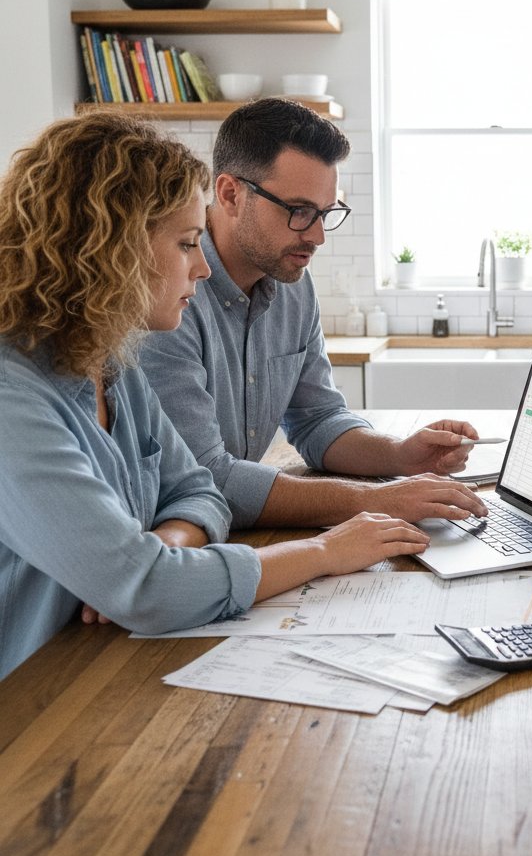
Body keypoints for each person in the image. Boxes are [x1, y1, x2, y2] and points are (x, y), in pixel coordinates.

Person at [0, 112, 429, 680]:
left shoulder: (110, 362)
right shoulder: (14, 400)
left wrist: (170, 540)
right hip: (29, 700)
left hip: (97, 659)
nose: (201, 267)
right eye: (184, 243)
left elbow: (196, 489)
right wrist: (326, 553)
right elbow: (148, 587)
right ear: (108, 250)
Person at [138, 97, 486, 530]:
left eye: (326, 213)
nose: (318, 236)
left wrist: (402, 455)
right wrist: (378, 499)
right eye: (300, 212)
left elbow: (318, 419)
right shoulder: (166, 298)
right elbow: (205, 476)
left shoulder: (292, 284)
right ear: (230, 194)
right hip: (166, 535)